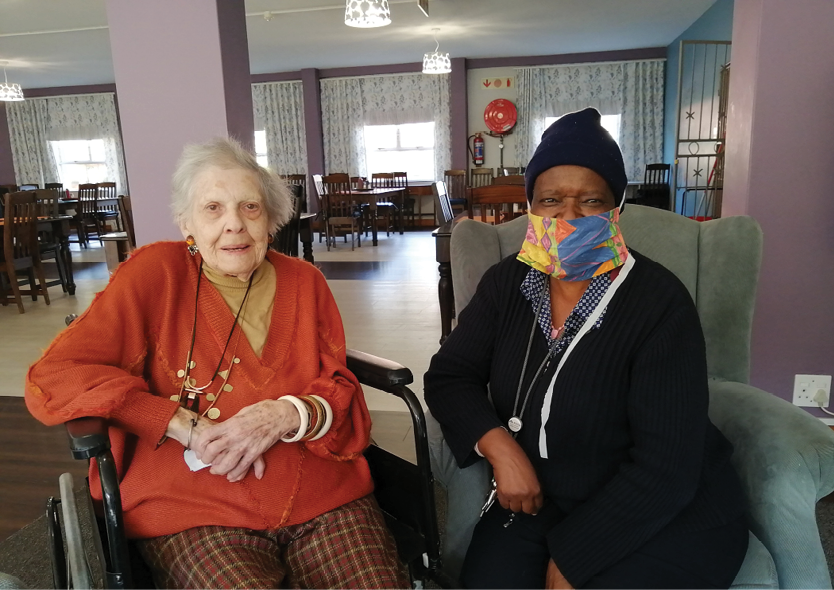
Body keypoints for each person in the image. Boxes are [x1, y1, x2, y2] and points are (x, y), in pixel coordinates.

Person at [26, 137, 409, 590]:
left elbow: (337, 386)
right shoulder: (155, 274)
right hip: (194, 506)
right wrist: (175, 421)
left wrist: (290, 412)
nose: (234, 225)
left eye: (250, 207)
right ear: (185, 222)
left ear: (271, 220)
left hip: (319, 493)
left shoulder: (305, 281)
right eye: (212, 208)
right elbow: (56, 373)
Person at [424, 108, 748, 590]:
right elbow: (450, 376)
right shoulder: (507, 282)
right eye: (550, 200)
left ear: (617, 210)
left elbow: (668, 467)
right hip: (542, 500)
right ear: (531, 207)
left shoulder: (659, 302)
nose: (568, 218)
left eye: (590, 201)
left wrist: (576, 558)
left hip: (663, 510)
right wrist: (503, 451)